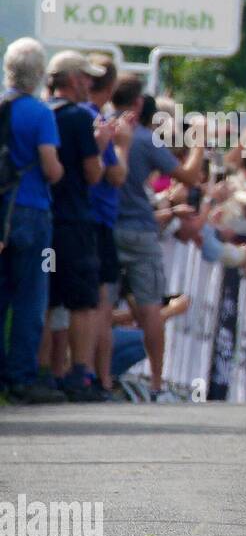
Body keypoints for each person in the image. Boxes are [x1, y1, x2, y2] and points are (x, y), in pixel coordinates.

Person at [110, 74, 204, 402]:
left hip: (105, 228)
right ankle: (156, 384)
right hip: (138, 229)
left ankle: (91, 375)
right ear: (137, 102)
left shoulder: (102, 128)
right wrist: (199, 143)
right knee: (151, 306)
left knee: (97, 305)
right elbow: (189, 176)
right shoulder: (144, 139)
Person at [0, 38, 65, 403]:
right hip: (31, 209)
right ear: (39, 74)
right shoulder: (41, 114)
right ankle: (21, 378)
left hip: (1, 209)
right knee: (29, 296)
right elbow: (50, 166)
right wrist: (59, 173)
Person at [45, 51, 109, 401]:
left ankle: (45, 372)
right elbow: (93, 173)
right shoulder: (78, 118)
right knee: (83, 301)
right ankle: (80, 374)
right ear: (71, 80)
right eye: (85, 77)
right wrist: (101, 146)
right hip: (75, 222)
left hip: (46, 219)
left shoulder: (42, 113)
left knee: (47, 297)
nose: (90, 84)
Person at [82, 54, 126, 397]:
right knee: (99, 303)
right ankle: (100, 378)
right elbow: (116, 174)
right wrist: (120, 145)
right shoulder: (98, 120)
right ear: (109, 87)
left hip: (74, 219)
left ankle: (67, 371)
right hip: (96, 221)